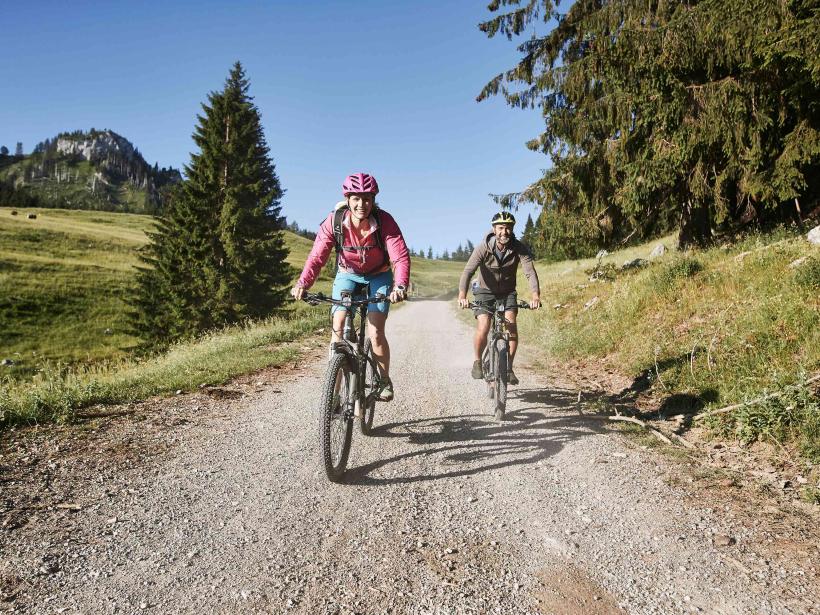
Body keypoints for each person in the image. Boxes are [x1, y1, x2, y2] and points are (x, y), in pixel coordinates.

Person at [291, 173, 410, 401]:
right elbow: (317, 256)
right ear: (347, 199)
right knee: (339, 327)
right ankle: (333, 396)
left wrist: (400, 285)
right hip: (348, 274)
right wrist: (303, 283)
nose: (361, 205)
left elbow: (400, 257)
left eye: (367, 199)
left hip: (379, 276)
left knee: (375, 332)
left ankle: (383, 380)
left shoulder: (385, 222)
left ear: (373, 200)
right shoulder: (334, 222)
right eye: (356, 198)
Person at [457, 211, 541, 385]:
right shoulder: (483, 247)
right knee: (484, 325)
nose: (505, 232)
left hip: (507, 292)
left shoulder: (519, 248)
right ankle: (478, 362)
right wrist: (462, 295)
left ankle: (508, 368)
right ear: (494, 229)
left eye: (508, 228)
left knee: (511, 327)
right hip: (484, 291)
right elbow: (467, 272)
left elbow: (529, 272)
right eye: (501, 228)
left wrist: (535, 296)